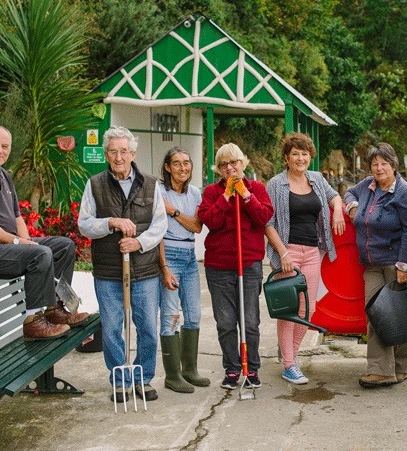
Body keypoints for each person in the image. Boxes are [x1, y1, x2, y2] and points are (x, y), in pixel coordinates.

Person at [0, 125, 89, 341]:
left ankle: (55, 309)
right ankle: (33, 321)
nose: (0, 150)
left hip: (6, 245)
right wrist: (15, 241)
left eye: (4, 146)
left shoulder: (4, 176)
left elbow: (17, 218)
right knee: (41, 254)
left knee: (64, 246)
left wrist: (23, 240)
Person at [78, 126, 167, 403]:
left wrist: (139, 242)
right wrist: (111, 223)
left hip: (145, 270)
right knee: (113, 328)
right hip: (108, 271)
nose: (119, 157)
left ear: (133, 153)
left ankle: (142, 379)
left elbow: (160, 225)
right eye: (113, 152)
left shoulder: (151, 184)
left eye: (124, 151)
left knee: (148, 329)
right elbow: (84, 224)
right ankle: (120, 381)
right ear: (106, 154)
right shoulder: (94, 184)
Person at [265, 133, 346, 384]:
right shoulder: (276, 184)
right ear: (287, 157)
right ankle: (289, 364)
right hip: (288, 251)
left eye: (304, 154)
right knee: (288, 309)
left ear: (311, 156)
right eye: (295, 154)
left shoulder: (317, 179)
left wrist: (338, 211)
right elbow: (267, 223)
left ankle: (292, 356)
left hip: (312, 252)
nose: (300, 158)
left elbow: (335, 196)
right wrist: (282, 253)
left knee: (306, 308)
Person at [197, 143, 274, 390]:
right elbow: (210, 220)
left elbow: (264, 217)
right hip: (219, 266)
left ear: (243, 163)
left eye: (234, 162)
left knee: (250, 320)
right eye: (223, 164)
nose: (230, 168)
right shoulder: (211, 192)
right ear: (218, 169)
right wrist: (227, 196)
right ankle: (232, 369)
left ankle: (251, 368)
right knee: (226, 322)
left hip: (248, 264)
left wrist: (246, 196)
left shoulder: (257, 188)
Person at [344, 143, 407, 388]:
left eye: (384, 163)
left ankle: (399, 367)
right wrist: (352, 207)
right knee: (377, 315)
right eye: (375, 163)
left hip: (396, 263)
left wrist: (404, 265)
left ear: (393, 165)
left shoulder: (404, 192)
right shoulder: (367, 185)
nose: (379, 168)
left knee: (397, 315)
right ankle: (381, 369)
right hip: (371, 263)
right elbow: (348, 192)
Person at [157, 146, 210, 393]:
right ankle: (173, 375)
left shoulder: (195, 194)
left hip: (189, 257)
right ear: (167, 167)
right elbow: (156, 232)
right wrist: (164, 266)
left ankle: (190, 369)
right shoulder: (158, 192)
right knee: (170, 316)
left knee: (193, 315)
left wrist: (174, 211)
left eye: (186, 163)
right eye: (176, 163)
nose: (182, 168)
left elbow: (197, 227)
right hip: (169, 255)